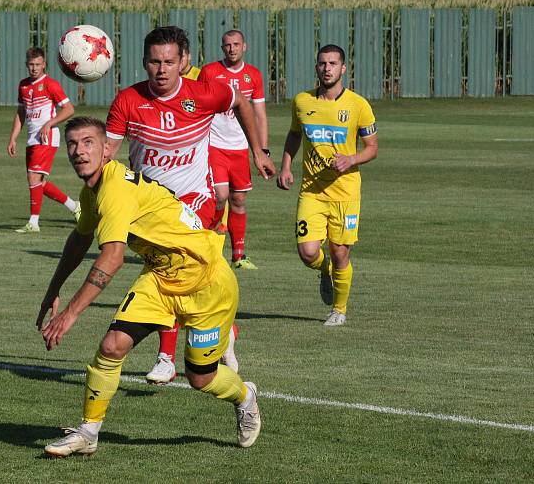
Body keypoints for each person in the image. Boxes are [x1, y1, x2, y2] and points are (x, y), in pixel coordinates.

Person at [37, 116, 261, 457]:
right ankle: (89, 431)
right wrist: (54, 289)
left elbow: (111, 259)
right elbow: (80, 238)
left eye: (88, 143)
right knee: (112, 346)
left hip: (207, 281)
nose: (79, 152)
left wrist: (70, 314)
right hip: (160, 278)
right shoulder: (93, 190)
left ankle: (245, 396)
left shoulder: (114, 189)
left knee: (200, 378)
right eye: (72, 144)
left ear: (107, 150)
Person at [105, 26, 276, 384]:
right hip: (149, 210)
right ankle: (223, 328)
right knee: (181, 276)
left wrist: (257, 150)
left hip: (196, 202)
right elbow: (108, 154)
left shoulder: (204, 92)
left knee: (170, 269)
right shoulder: (127, 101)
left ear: (184, 61)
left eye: (169, 61)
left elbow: (241, 102)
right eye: (154, 61)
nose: (162, 68)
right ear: (144, 62)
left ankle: (166, 356)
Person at [276, 44, 378, 326]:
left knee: (339, 251)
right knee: (308, 252)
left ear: (343, 68)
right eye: (322, 63)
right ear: (316, 67)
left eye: (333, 63)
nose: (327, 68)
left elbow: (372, 148)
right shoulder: (302, 101)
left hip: (345, 192)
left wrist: (352, 159)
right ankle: (325, 271)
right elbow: (294, 135)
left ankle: (339, 309)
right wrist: (286, 166)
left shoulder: (358, 105)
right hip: (312, 189)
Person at [200, 29, 270, 270]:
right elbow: (199, 107)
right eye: (227, 45)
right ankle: (210, 249)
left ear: (244, 47)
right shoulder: (209, 72)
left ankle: (238, 256)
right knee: (219, 196)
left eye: (236, 44)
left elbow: (259, 114)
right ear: (222, 48)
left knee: (238, 199)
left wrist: (262, 150)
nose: (232, 48)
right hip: (214, 145)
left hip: (240, 148)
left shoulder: (253, 76)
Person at [7, 47, 79, 233]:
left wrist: (49, 123)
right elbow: (21, 113)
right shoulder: (23, 85)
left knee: (33, 177)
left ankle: (33, 223)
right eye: (31, 65)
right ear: (26, 65)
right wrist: (13, 137)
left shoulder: (51, 84)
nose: (34, 68)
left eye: (38, 64)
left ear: (44, 64)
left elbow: (69, 109)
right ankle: (74, 206)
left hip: (47, 138)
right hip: (32, 139)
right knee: (38, 182)